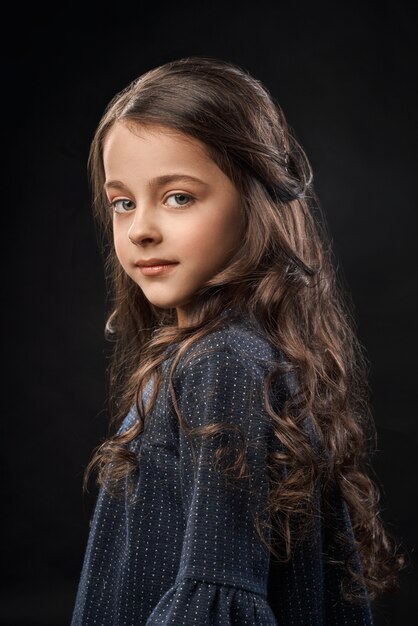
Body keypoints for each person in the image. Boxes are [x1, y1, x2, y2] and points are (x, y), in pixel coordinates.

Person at [70, 56, 405, 625]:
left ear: (252, 201)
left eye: (178, 196)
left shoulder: (221, 362)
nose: (140, 228)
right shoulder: (216, 353)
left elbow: (219, 590)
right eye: (123, 202)